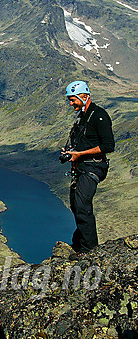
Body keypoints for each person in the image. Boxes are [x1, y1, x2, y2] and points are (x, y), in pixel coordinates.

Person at [61, 80, 114, 253]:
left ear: (84, 96)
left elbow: (108, 146)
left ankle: (89, 250)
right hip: (82, 167)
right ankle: (79, 244)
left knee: (82, 205)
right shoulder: (83, 116)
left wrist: (80, 154)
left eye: (73, 99)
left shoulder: (98, 115)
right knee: (76, 205)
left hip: (94, 167)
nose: (71, 103)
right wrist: (71, 151)